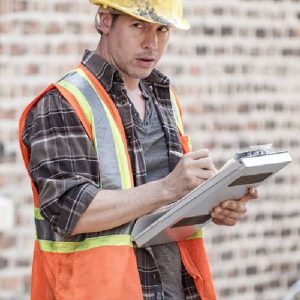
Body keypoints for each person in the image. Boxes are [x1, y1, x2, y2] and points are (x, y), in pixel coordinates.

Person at [19, 1, 258, 299]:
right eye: (138, 26)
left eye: (162, 29)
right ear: (105, 21)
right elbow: (70, 212)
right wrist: (168, 188)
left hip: (176, 288)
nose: (152, 43)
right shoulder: (63, 102)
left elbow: (164, 208)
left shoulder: (164, 98)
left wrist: (214, 203)